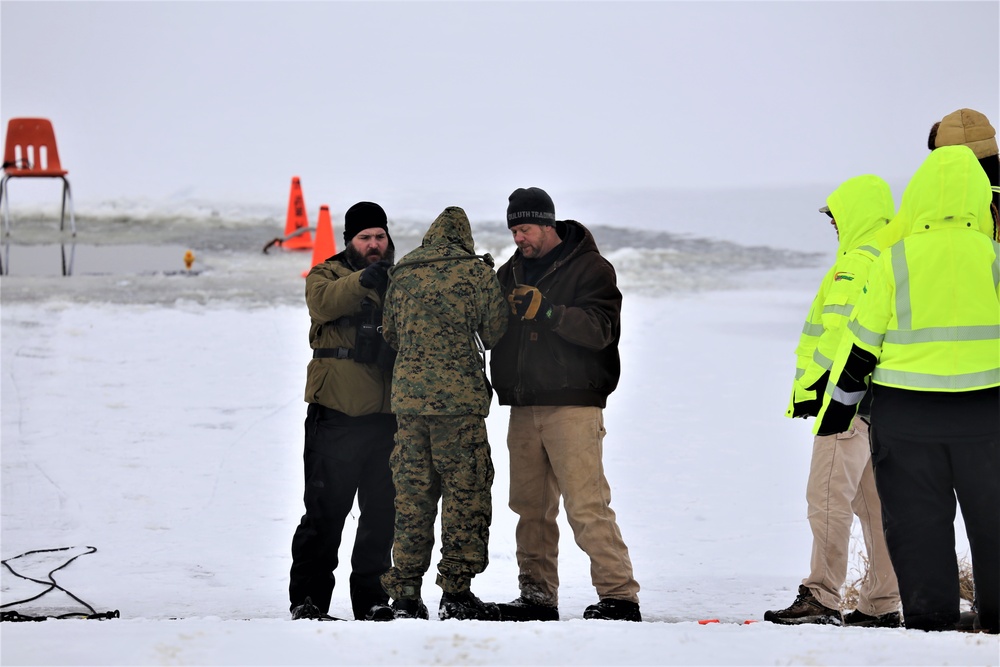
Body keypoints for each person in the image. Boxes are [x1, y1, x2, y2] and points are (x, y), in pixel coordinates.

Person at [815, 145, 999, 634]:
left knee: (918, 523)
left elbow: (862, 341)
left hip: (908, 417)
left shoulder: (893, 260)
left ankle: (929, 620)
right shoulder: (994, 256)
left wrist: (838, 410)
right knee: (993, 519)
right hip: (987, 415)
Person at [489, 186, 641, 622]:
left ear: (548, 224)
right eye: (515, 230)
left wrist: (549, 313)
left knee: (586, 503)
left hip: (573, 405)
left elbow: (600, 330)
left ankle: (619, 596)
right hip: (523, 406)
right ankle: (537, 597)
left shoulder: (590, 268)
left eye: (526, 228)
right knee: (529, 507)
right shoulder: (510, 273)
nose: (520, 237)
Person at [765, 175, 901, 627]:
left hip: (847, 403)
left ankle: (822, 596)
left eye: (836, 217)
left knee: (826, 497)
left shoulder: (855, 264)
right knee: (873, 505)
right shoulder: (889, 256)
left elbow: (842, 335)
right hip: (879, 404)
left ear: (855, 213)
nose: (834, 227)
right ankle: (883, 602)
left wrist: (821, 393)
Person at [378, 206, 508, 621]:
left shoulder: (401, 274)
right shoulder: (476, 273)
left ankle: (405, 596)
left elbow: (391, 334)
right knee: (464, 495)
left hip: (410, 406)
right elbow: (494, 332)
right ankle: (455, 592)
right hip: (460, 406)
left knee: (413, 498)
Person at [288, 201, 398, 622]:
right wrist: (363, 281)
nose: (373, 245)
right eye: (364, 238)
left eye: (379, 237)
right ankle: (309, 600)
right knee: (325, 511)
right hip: (336, 412)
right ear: (349, 241)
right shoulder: (326, 273)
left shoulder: (398, 278)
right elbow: (324, 304)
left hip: (387, 416)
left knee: (381, 516)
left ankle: (373, 600)